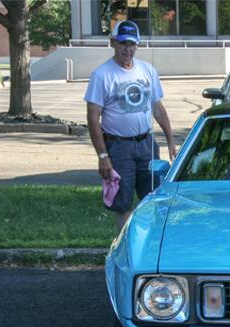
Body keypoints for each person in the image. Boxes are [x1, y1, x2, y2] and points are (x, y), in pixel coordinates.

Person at [84, 20, 178, 230]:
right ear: (113, 43)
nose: (128, 49)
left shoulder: (148, 71)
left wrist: (170, 141)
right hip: (119, 148)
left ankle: (151, 252)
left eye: (132, 44)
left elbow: (157, 108)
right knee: (123, 205)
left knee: (153, 201)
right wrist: (103, 156)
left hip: (147, 145)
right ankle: (125, 252)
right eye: (123, 43)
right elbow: (92, 118)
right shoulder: (101, 75)